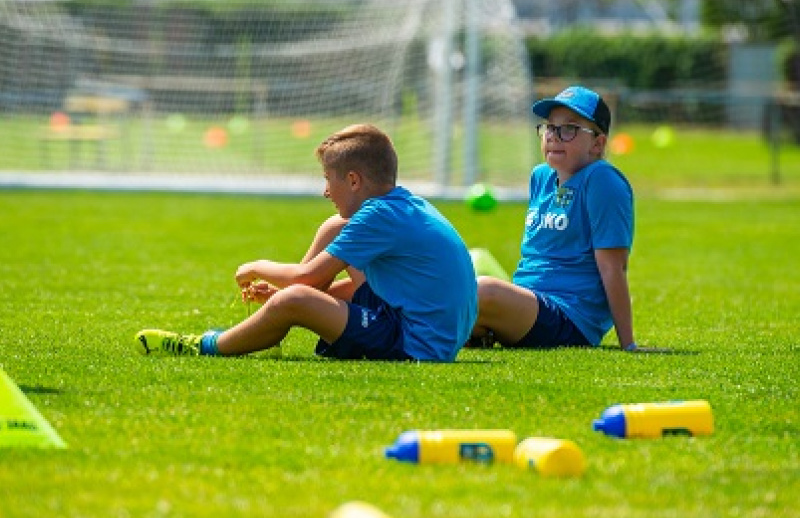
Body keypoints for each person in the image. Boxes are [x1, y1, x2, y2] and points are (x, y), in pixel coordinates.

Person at [135, 123, 477, 363]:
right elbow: (380, 286)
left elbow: (305, 280)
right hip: (424, 331)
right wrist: (310, 297)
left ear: (354, 180)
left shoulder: (379, 217)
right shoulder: (402, 206)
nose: (325, 191)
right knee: (333, 232)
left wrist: (258, 267)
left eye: (329, 179)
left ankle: (204, 346)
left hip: (415, 345)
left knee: (296, 297)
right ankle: (267, 321)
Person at [469, 84, 637, 351]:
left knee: (483, 291)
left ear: (598, 143)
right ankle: (475, 330)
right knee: (455, 282)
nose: (553, 136)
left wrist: (628, 344)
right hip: (531, 304)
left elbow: (613, 267)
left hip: (570, 316)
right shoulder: (541, 176)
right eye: (549, 127)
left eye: (569, 129)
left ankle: (473, 328)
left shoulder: (602, 180)